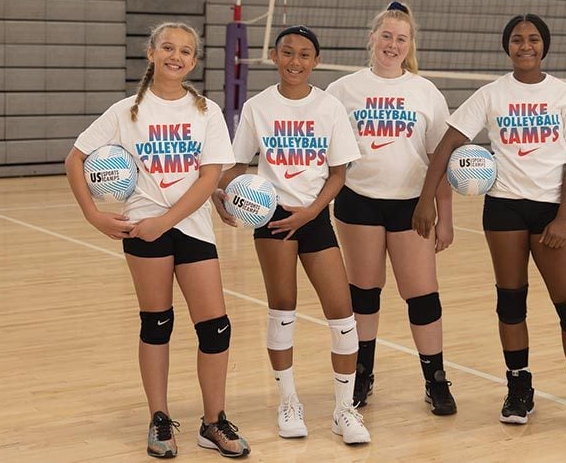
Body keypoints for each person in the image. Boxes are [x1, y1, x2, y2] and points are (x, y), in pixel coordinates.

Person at [413, 14, 566, 434]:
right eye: (518, 39)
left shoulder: (563, 95)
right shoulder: (492, 94)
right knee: (511, 302)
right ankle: (519, 387)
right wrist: (426, 200)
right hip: (504, 208)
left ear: (545, 45)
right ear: (507, 46)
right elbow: (446, 145)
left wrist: (564, 217)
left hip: (550, 213)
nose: (526, 45)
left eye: (534, 39)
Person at [64, 22, 250, 458]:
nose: (176, 56)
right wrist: (93, 215)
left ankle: (213, 422)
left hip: (189, 227)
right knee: (157, 322)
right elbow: (75, 158)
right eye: (168, 47)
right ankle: (160, 420)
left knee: (216, 328)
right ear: (151, 53)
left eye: (186, 51)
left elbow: (209, 179)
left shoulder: (206, 111)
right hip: (142, 228)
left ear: (194, 61)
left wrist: (166, 220)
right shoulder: (125, 111)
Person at [212, 25, 370, 444]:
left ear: (315, 61)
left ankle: (344, 410)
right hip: (271, 217)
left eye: (304, 54)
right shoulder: (258, 107)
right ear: (275, 57)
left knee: (343, 315)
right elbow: (235, 162)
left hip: (313, 215)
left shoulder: (329, 107)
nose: (295, 61)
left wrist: (313, 212)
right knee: (282, 308)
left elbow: (339, 173)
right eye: (287, 53)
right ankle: (288, 401)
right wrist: (217, 192)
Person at [324, 1, 457, 415]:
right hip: (358, 200)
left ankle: (435, 379)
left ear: (409, 44)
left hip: (411, 207)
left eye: (401, 38)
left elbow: (440, 158)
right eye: (386, 36)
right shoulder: (342, 90)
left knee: (422, 296)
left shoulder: (425, 91)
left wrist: (443, 216)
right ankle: (362, 373)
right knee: (364, 293)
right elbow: (324, 153)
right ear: (372, 38)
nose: (392, 44)